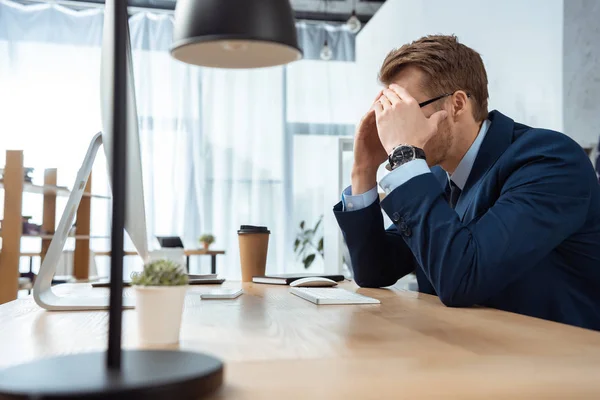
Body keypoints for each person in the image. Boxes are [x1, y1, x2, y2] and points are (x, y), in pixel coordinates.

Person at [334, 34, 600, 330]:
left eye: (406, 111)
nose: (392, 127)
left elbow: (463, 277)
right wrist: (363, 170)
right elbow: (374, 270)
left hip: (560, 364)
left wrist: (404, 155)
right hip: (468, 355)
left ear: (457, 104)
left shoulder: (548, 161)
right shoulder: (436, 178)